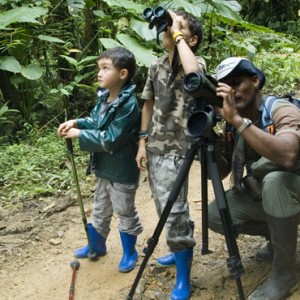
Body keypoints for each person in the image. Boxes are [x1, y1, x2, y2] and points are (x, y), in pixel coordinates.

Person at [208, 57, 300, 300]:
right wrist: (208, 139)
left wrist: (238, 122)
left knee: (275, 182)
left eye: (236, 83)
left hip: (291, 187)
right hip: (270, 196)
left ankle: (284, 274)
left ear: (255, 81)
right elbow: (222, 172)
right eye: (224, 86)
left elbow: (289, 155)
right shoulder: (230, 123)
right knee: (217, 215)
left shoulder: (280, 109)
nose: (231, 91)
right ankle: (279, 240)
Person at [136, 10, 206, 300]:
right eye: (169, 26)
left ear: (192, 38)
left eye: (179, 28)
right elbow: (148, 106)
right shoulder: (156, 66)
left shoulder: (195, 62)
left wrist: (178, 34)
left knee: (174, 209)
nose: (170, 30)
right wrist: (142, 142)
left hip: (180, 149)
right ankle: (177, 252)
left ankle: (183, 278)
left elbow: (193, 74)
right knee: (162, 203)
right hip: (155, 147)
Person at [57, 46, 143, 273]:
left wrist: (80, 135)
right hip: (104, 168)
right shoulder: (104, 99)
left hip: (122, 171)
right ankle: (96, 245)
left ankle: (130, 251)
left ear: (122, 74)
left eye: (105, 68)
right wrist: (76, 123)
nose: (99, 73)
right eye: (99, 68)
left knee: (125, 211)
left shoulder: (128, 105)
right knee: (100, 209)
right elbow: (96, 123)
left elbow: (111, 138)